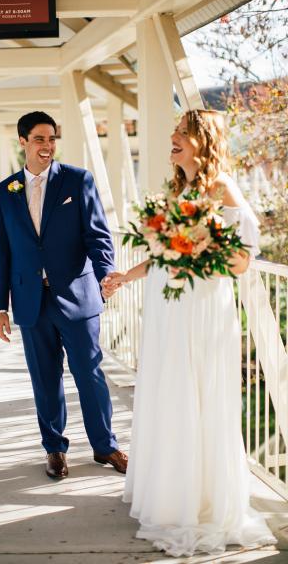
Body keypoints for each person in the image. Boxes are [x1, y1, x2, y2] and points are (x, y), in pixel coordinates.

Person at [102, 110, 276, 556]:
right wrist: (127, 275)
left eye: (181, 132)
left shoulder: (223, 189)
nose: (172, 137)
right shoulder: (178, 189)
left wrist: (202, 245)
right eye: (174, 131)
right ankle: (169, 492)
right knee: (168, 393)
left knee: (196, 395)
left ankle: (199, 502)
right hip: (167, 310)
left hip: (200, 311)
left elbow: (241, 261)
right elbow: (163, 254)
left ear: (203, 141)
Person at [0, 111, 127, 479]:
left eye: (52, 139)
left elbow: (97, 235)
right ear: (23, 142)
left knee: (90, 373)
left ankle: (105, 446)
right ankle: (54, 449)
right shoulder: (5, 193)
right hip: (31, 301)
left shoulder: (78, 181)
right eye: (39, 139)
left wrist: (105, 274)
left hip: (78, 296)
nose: (47, 146)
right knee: (45, 379)